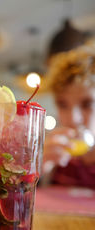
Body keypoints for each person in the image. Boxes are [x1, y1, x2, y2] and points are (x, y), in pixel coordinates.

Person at [43, 45, 95, 188]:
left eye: (87, 104)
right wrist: (38, 169)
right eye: (63, 104)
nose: (73, 118)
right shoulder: (56, 157)